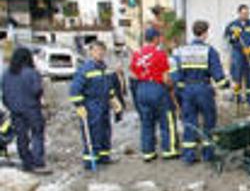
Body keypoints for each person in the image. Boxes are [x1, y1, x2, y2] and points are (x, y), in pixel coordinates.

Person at [172, 20, 229, 164]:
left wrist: (181, 92)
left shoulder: (182, 50)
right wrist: (226, 84)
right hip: (203, 89)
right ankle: (208, 154)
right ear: (205, 33)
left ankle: (189, 156)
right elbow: (218, 76)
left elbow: (176, 75)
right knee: (209, 121)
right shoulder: (209, 51)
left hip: (187, 90)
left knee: (190, 122)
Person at [69, 41, 124, 169]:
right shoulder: (85, 69)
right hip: (91, 105)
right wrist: (79, 105)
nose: (99, 53)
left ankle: (104, 156)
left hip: (104, 104)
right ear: (91, 52)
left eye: (102, 50)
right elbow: (75, 90)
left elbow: (108, 86)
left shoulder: (103, 68)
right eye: (97, 50)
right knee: (93, 133)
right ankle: (90, 160)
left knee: (105, 131)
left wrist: (114, 100)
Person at [130, 28, 179, 161]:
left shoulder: (136, 54)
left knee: (146, 122)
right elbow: (165, 77)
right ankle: (169, 150)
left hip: (141, 88)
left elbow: (133, 74)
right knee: (166, 119)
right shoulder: (160, 54)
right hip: (157, 89)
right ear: (156, 38)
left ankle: (148, 152)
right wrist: (171, 88)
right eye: (160, 37)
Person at [1, 47, 49, 174]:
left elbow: (4, 94)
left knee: (21, 137)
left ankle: (26, 162)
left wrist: (10, 105)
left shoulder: (6, 74)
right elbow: (37, 91)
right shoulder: (32, 73)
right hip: (31, 108)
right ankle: (38, 161)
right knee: (37, 134)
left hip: (15, 110)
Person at [225, 4, 250, 106]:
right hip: (238, 54)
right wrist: (234, 36)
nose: (246, 15)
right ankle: (237, 98)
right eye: (244, 13)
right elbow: (228, 39)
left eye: (247, 13)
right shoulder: (232, 25)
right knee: (237, 76)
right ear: (239, 13)